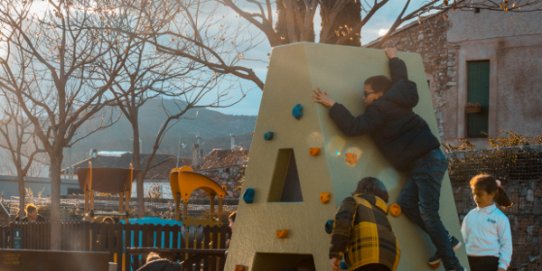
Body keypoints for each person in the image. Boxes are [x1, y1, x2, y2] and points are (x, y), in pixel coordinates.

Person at [313, 47, 463, 271]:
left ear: (379, 95)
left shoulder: (379, 110)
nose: (363, 98)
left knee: (429, 213)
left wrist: (333, 105)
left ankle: (454, 266)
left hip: (426, 162)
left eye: (367, 93)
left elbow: (354, 127)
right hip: (425, 161)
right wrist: (394, 59)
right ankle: (447, 242)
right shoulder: (400, 98)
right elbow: (401, 79)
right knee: (406, 203)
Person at [329, 177, 400, 271]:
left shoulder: (353, 200)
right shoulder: (383, 216)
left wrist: (336, 253)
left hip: (366, 253)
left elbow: (343, 222)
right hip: (391, 259)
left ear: (360, 189)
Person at [461, 173, 513, 271]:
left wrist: (502, 267)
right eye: (474, 194)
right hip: (469, 262)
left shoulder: (500, 218)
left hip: (490, 264)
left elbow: (506, 245)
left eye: (480, 194)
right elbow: (463, 240)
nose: (476, 198)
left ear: (491, 194)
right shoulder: (469, 216)